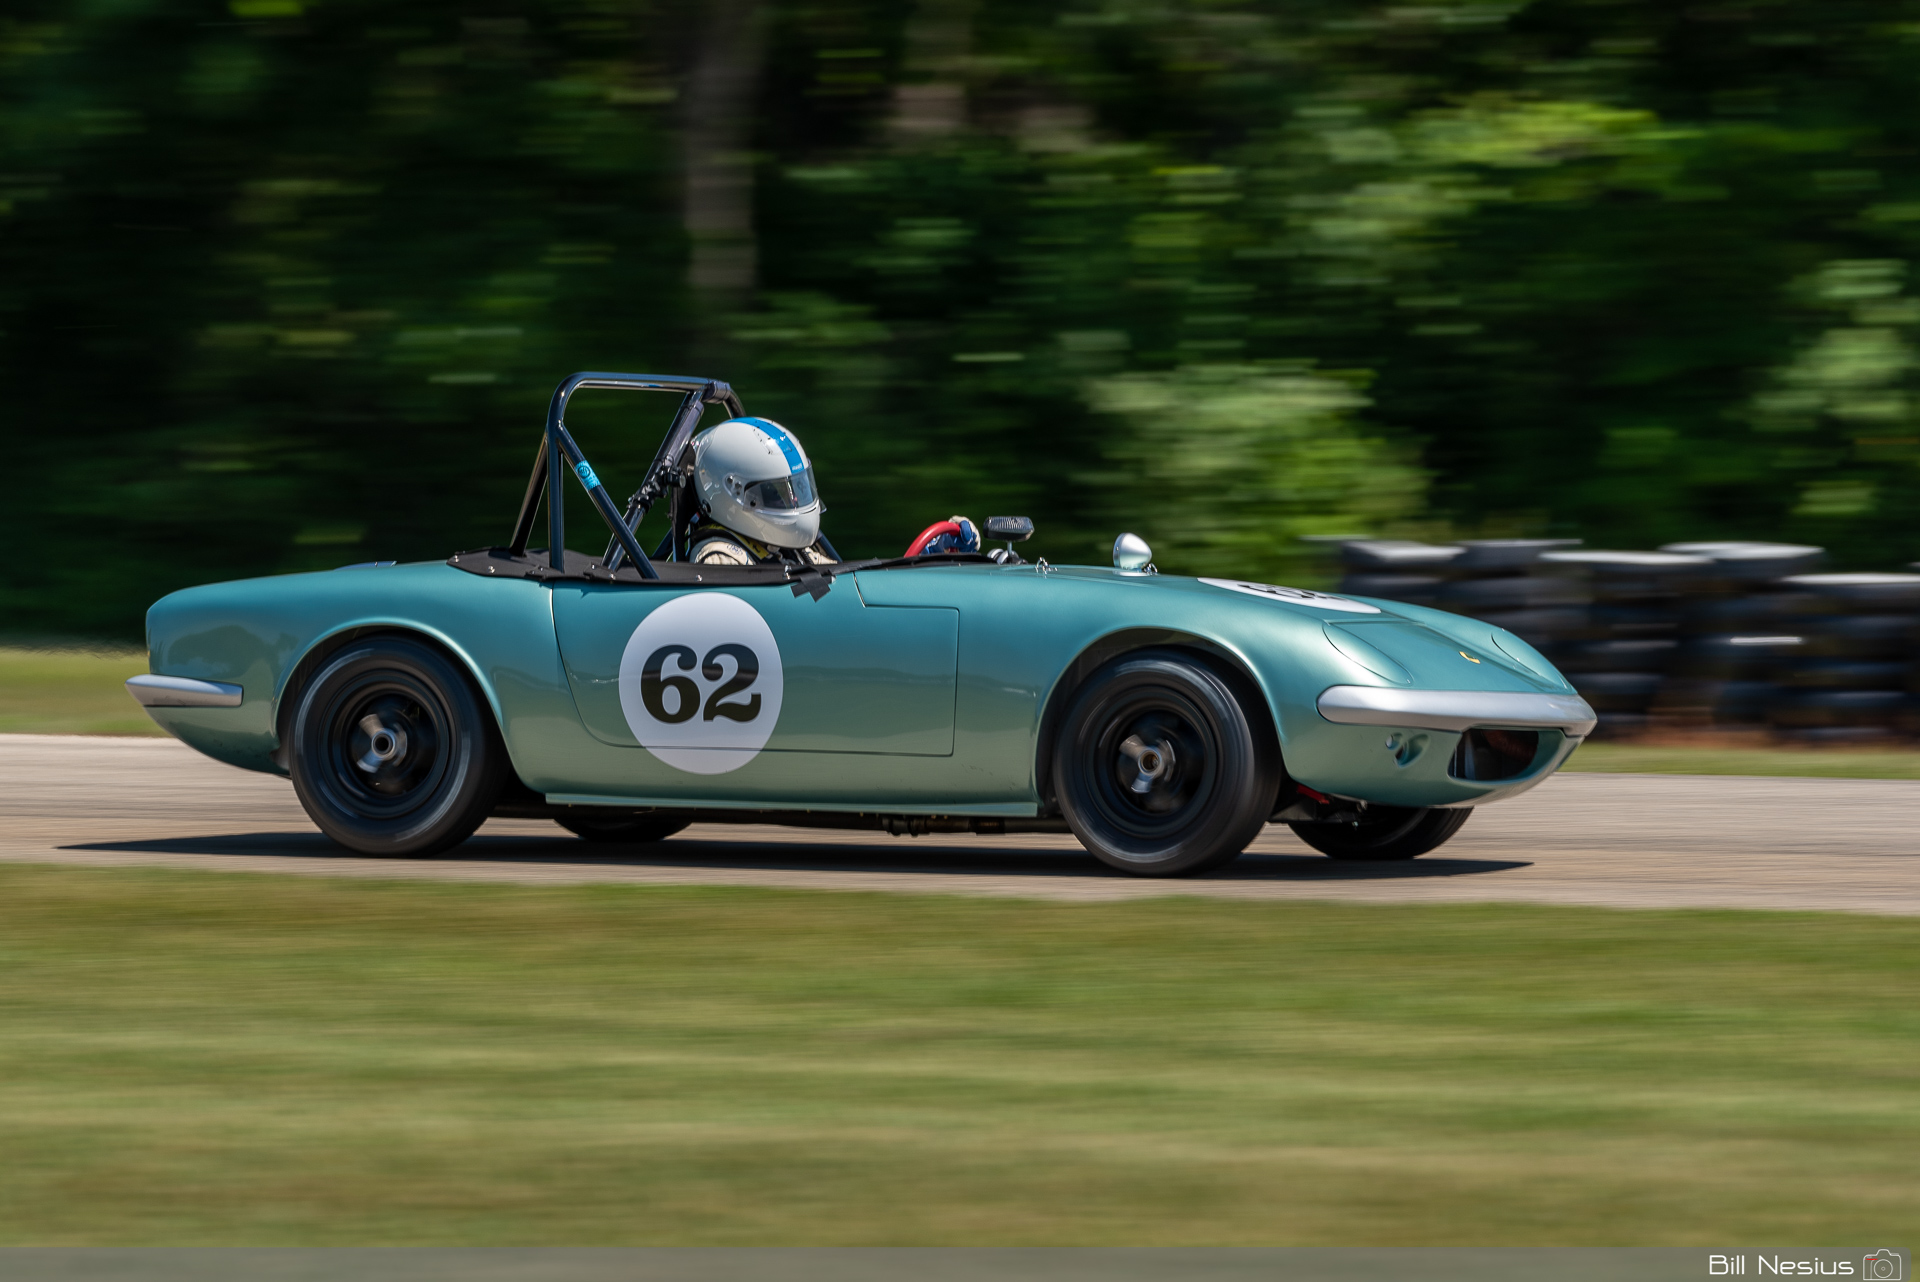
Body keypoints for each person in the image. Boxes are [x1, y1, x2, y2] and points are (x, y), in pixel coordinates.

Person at [685, 417, 835, 566]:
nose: (794, 501)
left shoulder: (786, 546)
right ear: (736, 491)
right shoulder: (721, 559)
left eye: (796, 488)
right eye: (773, 492)